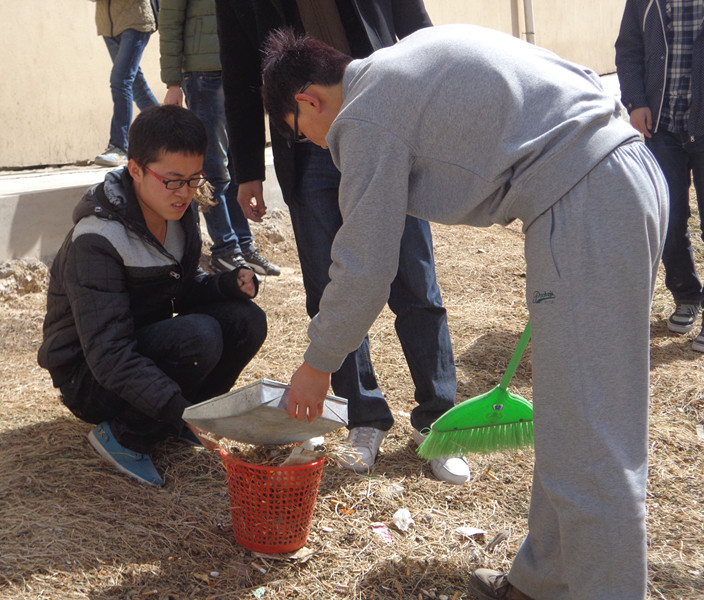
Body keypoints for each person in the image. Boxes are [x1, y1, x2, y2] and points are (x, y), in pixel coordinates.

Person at [261, 26, 667, 600]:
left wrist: (317, 363)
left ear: (308, 101)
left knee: (593, 447)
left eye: (303, 134)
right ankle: (542, 582)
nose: (318, 146)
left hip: (587, 202)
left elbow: (364, 264)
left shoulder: (364, 114)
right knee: (570, 418)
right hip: (617, 176)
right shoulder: (401, 62)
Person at [215, 0, 469, 485]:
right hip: (307, 144)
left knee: (415, 282)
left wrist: (436, 115)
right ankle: (363, 419)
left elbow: (417, 32)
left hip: (387, 127)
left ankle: (438, 419)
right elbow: (240, 74)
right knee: (331, 291)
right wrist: (247, 169)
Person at [38, 104, 267, 487]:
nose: (185, 193)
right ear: (135, 169)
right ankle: (126, 438)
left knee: (246, 320)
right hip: (90, 377)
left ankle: (173, 422)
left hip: (141, 348)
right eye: (173, 180)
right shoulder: (97, 240)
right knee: (200, 337)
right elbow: (109, 356)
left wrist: (226, 286)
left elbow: (182, 289)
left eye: (194, 180)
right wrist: (181, 409)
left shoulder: (178, 213)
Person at [157, 0, 280, 276]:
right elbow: (169, 22)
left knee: (238, 163)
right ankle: (224, 248)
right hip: (203, 75)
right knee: (212, 169)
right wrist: (173, 83)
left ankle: (243, 244)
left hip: (241, 69)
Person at [616, 0, 704, 352]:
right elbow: (629, 48)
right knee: (668, 219)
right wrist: (636, 101)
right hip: (662, 128)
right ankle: (686, 295)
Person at [92, 0, 161, 167]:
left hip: (134, 22)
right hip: (107, 26)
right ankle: (169, 132)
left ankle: (120, 146)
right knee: (136, 86)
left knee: (120, 81)